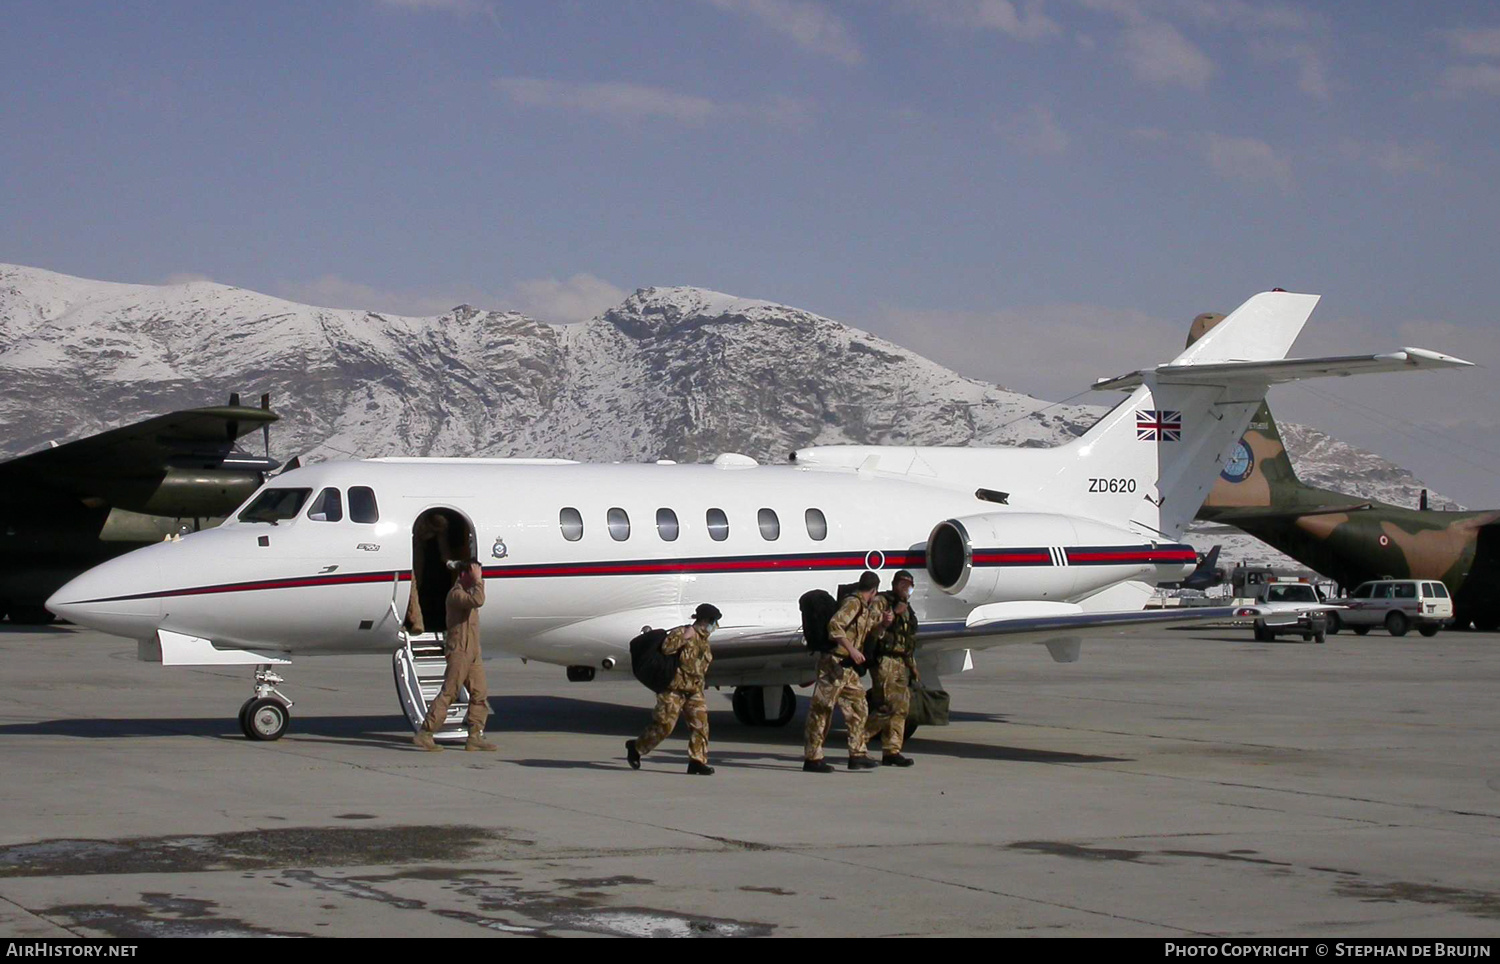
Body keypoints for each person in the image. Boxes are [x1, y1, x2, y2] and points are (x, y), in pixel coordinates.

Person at [803, 571, 889, 773]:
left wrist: (883, 623)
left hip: (847, 668)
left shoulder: (865, 608)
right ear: (874, 590)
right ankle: (813, 758)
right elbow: (835, 626)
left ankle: (857, 754)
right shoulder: (853, 604)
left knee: (859, 706)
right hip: (833, 664)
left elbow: (869, 630)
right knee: (822, 710)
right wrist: (852, 649)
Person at [626, 603, 721, 775]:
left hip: (694, 691)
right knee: (664, 726)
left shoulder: (704, 641)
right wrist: (684, 637)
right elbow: (666, 648)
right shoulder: (683, 632)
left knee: (701, 726)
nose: (715, 626)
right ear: (705, 620)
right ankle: (636, 747)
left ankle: (697, 761)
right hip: (673, 689)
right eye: (713, 621)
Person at [413, 560, 494, 752]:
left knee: (480, 693)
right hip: (459, 651)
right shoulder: (456, 594)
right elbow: (478, 601)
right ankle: (426, 732)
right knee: (450, 691)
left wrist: (476, 582)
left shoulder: (471, 591)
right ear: (464, 575)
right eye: (474, 573)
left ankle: (475, 735)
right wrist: (478, 581)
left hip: (473, 651)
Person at [864, 570, 920, 766]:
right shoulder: (882, 602)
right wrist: (889, 618)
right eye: (903, 584)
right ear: (895, 584)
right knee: (886, 706)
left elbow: (908, 639)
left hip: (900, 662)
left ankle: (892, 751)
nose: (906, 589)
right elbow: (869, 628)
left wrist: (912, 666)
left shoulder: (907, 608)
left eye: (909, 585)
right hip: (884, 660)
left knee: (901, 708)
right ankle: (859, 742)